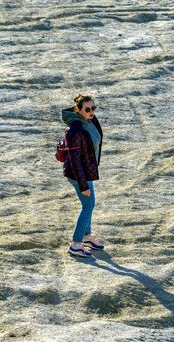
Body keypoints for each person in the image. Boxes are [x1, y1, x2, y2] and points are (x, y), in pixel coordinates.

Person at [62, 94, 104, 257]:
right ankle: (76, 244)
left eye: (93, 108)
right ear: (78, 110)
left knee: (90, 204)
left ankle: (87, 236)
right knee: (88, 206)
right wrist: (83, 185)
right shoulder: (75, 130)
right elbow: (74, 161)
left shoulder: (89, 121)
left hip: (86, 172)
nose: (91, 111)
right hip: (78, 174)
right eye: (87, 109)